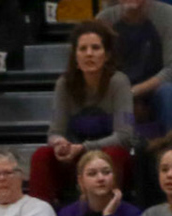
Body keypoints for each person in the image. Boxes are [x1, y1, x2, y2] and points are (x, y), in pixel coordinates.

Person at [34, 20, 133, 204]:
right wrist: (60, 143)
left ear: (107, 55)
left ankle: (109, 209)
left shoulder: (119, 82)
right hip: (76, 156)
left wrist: (85, 147)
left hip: (108, 157)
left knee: (114, 153)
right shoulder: (64, 84)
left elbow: (124, 136)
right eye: (83, 49)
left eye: (95, 48)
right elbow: (54, 132)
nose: (89, 54)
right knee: (42, 155)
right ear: (75, 57)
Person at [97, 0, 172, 137]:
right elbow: (96, 68)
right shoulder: (104, 21)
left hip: (156, 91)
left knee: (169, 92)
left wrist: (133, 92)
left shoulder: (169, 16)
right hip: (116, 91)